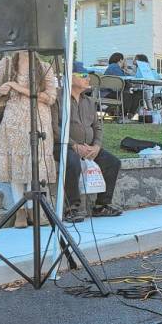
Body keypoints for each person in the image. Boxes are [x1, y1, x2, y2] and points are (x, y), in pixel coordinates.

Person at [0, 51, 58, 228]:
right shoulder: (6, 63)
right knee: (16, 166)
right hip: (13, 120)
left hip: (38, 119)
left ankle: (33, 209)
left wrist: (17, 87)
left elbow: (50, 97)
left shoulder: (44, 66)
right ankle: (19, 211)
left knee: (34, 165)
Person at [53, 62, 123, 222]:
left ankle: (101, 206)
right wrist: (74, 145)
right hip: (64, 145)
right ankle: (72, 208)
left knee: (113, 162)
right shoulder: (57, 98)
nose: (88, 79)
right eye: (84, 75)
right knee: (72, 161)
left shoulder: (90, 101)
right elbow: (55, 128)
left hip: (89, 147)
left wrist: (96, 146)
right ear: (70, 77)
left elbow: (97, 127)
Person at [103, 52, 142, 117]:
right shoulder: (115, 68)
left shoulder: (112, 67)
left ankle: (126, 115)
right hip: (110, 93)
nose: (125, 62)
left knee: (134, 94)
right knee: (132, 94)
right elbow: (124, 83)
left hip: (107, 92)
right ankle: (125, 116)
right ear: (121, 60)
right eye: (124, 60)